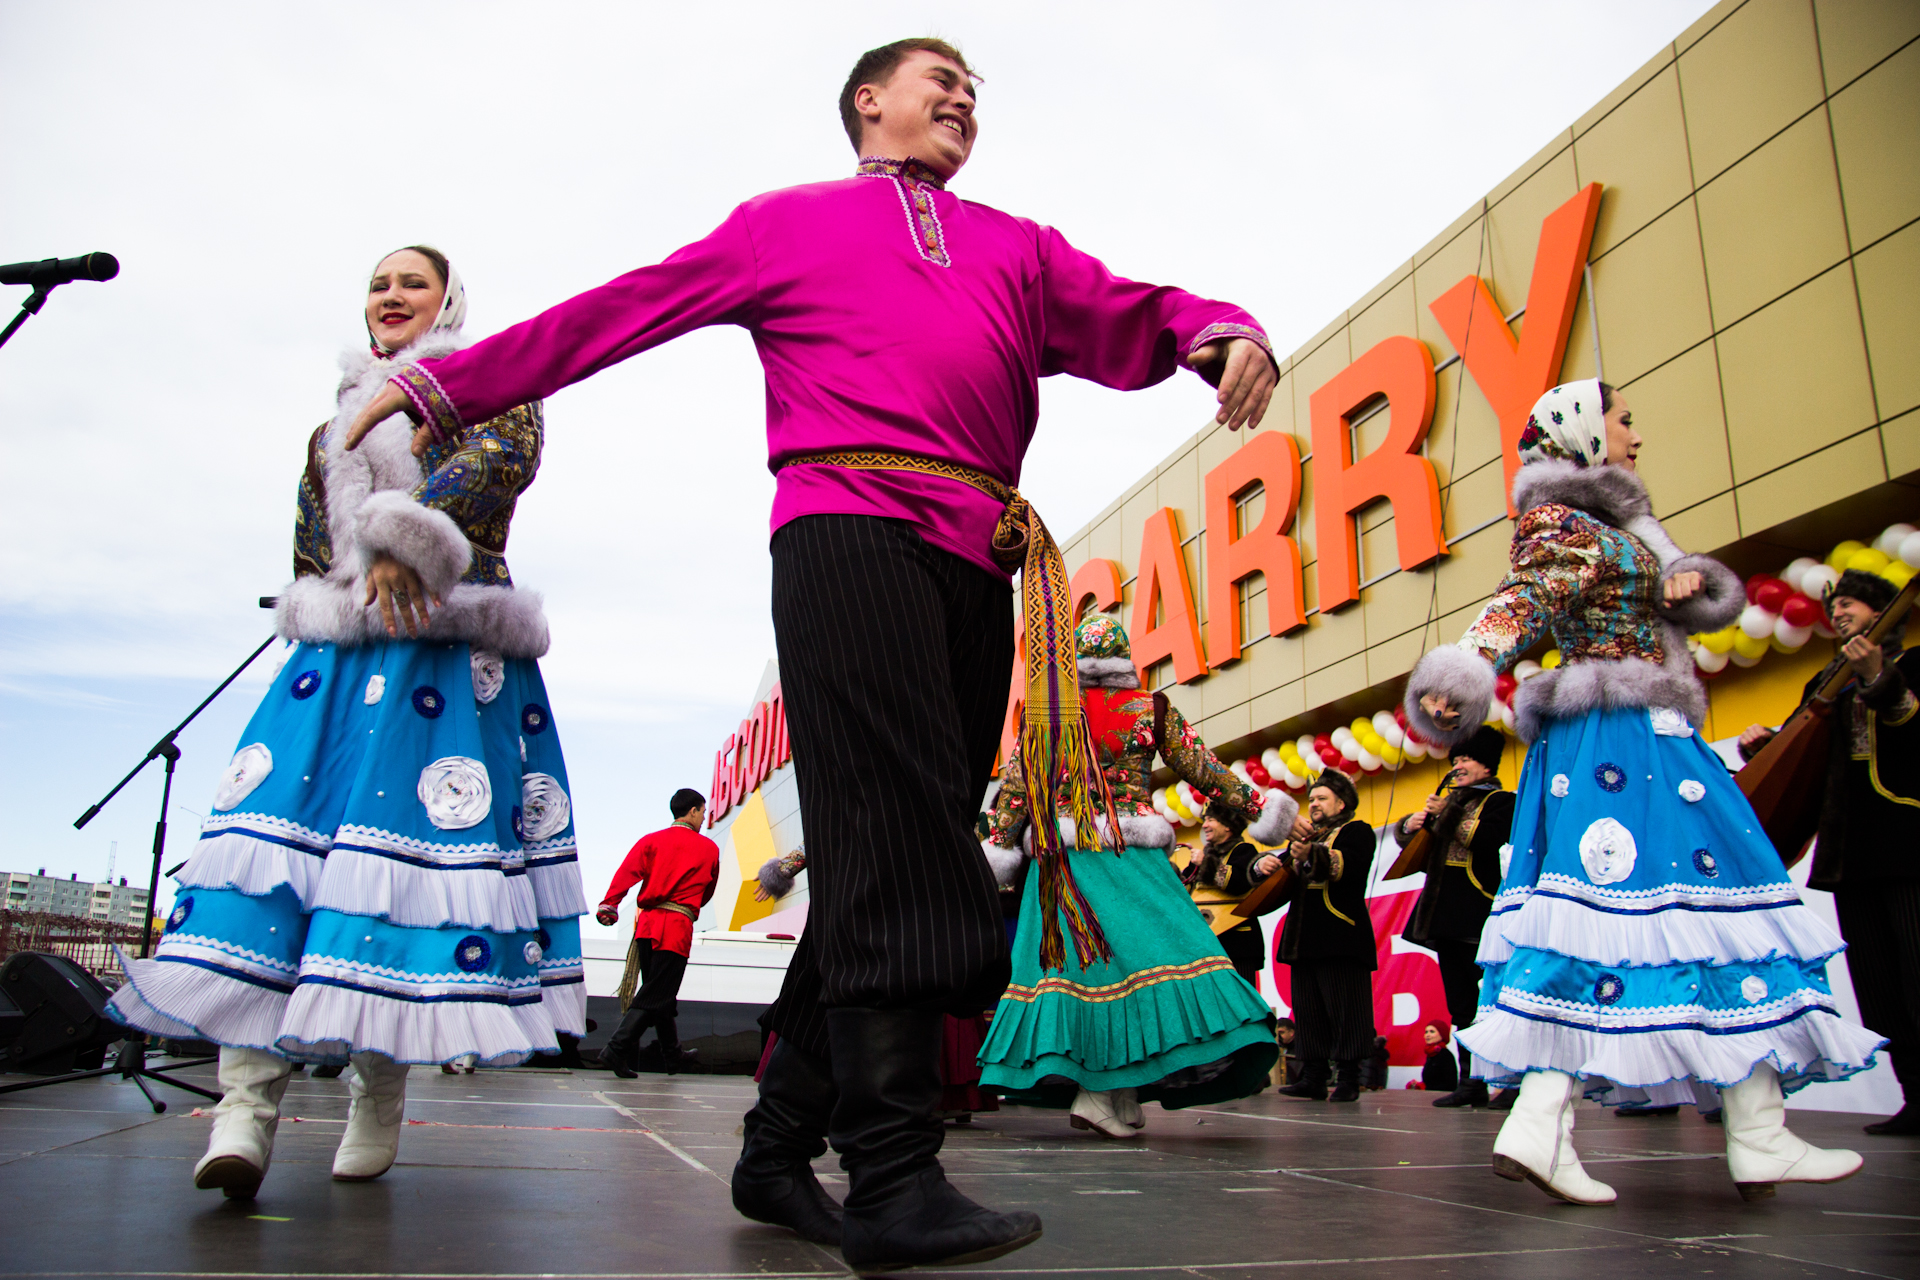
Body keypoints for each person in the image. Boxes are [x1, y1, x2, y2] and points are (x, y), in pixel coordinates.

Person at [342, 38, 1277, 1271]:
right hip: (847, 532)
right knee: (902, 837)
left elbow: (1124, 310)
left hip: (977, 551)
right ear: (866, 103)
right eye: (935, 79)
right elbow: (621, 307)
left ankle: (779, 1147)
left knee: (899, 839)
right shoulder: (786, 225)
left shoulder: (1019, 246)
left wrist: (1211, 330)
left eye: (974, 90)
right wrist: (446, 387)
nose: (960, 98)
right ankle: (892, 1176)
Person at [107, 247, 587, 1200]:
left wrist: (408, 540)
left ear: (450, 302)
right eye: (379, 283)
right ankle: (245, 1104)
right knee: (279, 864)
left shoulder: (489, 388)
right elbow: (309, 544)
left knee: (395, 884)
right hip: (337, 663)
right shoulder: (330, 425)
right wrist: (327, 596)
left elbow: (499, 465)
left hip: (444, 658)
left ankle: (379, 1089)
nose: (393, 295)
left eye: (415, 281)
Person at [1406, 378, 1883, 1206]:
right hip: (1616, 739)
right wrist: (1469, 668)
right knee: (1628, 918)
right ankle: (1578, 1121)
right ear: (1583, 431)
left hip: (1646, 737)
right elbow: (1523, 601)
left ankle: (1741, 1129)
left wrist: (1683, 584)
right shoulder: (1562, 522)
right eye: (1623, 418)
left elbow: (1670, 598)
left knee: (1699, 919)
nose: (1635, 432)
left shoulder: (1620, 525)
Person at [978, 614, 1291, 1138]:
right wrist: (1263, 808)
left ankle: (1112, 1092)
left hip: (1063, 864)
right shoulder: (1151, 707)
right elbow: (1204, 769)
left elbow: (1014, 789)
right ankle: (1104, 1093)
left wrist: (998, 847)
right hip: (1130, 855)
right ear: (1126, 660)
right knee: (1171, 956)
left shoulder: (1046, 716)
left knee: (1087, 976)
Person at [1740, 567, 1920, 1137]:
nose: (1840, 612)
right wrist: (1767, 745)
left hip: (1908, 843)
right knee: (1879, 984)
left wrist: (1881, 679)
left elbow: (1913, 727)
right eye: (1836, 605)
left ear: (1882, 613)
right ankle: (1914, 1095)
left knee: (1919, 971)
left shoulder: (1912, 667)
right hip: (1849, 853)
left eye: (1852, 604)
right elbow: (1804, 754)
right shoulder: (1825, 680)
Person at [1388, 725, 1513, 1107]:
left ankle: (1511, 1083)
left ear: (1487, 766)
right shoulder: (1450, 800)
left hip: (1482, 914)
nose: (1457, 766)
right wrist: (1408, 826)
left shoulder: (1502, 802)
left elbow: (1485, 840)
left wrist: (1447, 815)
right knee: (1460, 1005)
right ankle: (1471, 1082)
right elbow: (1419, 850)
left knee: (1496, 1001)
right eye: (1455, 759)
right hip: (1445, 918)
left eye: (1466, 759)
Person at [596, 789, 721, 1078]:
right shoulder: (708, 848)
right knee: (655, 994)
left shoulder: (651, 840)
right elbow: (707, 892)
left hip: (647, 927)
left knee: (661, 993)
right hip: (675, 929)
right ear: (691, 811)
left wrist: (610, 904)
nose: (704, 818)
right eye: (702, 812)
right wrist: (685, 901)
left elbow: (626, 872)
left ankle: (673, 1055)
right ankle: (615, 1050)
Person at [1270, 769, 1377, 1104]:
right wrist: (1269, 865)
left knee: (1348, 1011)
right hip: (1304, 939)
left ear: (1341, 802)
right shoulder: (1305, 839)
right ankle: (1313, 1077)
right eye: (1312, 799)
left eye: (1321, 798)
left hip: (1340, 935)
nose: (1313, 804)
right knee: (1309, 1011)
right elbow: (1281, 877)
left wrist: (1311, 855)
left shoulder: (1356, 831)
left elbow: (1349, 867)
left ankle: (1349, 1079)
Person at [1185, 799, 1276, 991]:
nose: (1206, 825)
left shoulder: (1244, 851)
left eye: (1211, 820)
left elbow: (1240, 883)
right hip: (1206, 948)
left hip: (1237, 948)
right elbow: (1181, 890)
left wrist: (1206, 863)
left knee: (1243, 1005)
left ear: (1228, 826)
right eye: (1205, 820)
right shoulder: (1203, 855)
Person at [1413, 1021, 1458, 1094]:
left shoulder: (1445, 1055)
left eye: (1432, 1031)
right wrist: (1418, 1085)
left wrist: (1426, 1088)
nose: (1427, 1035)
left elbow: (1450, 1085)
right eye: (1426, 1032)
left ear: (1442, 1034)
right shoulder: (1431, 1054)